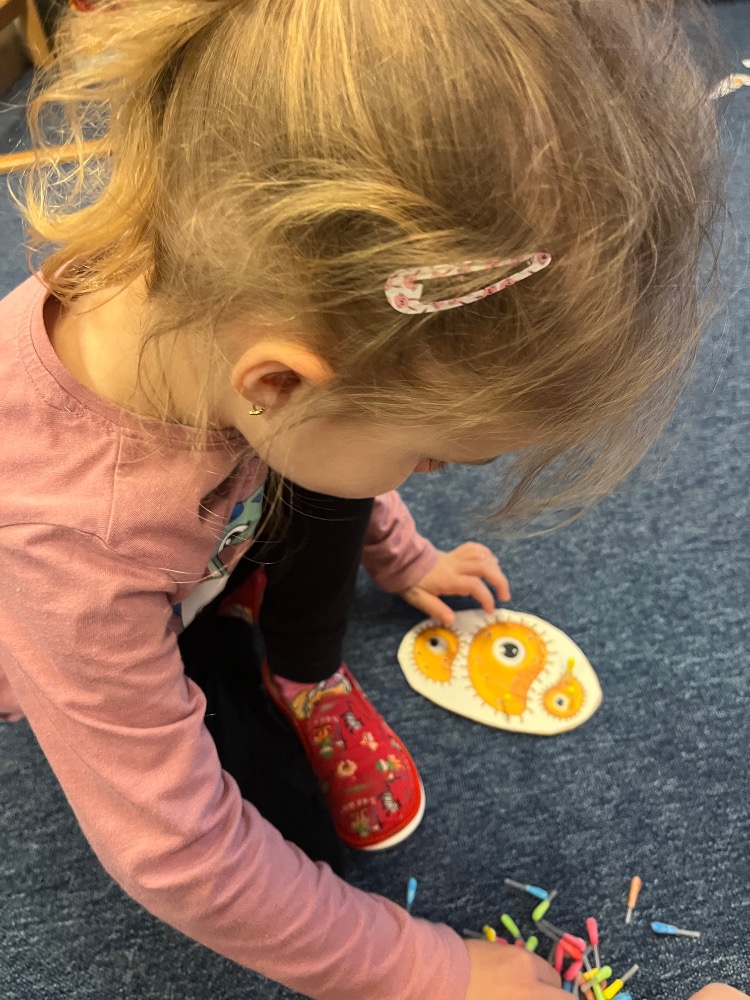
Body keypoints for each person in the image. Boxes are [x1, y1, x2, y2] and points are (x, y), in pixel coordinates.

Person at [0, 1, 740, 998]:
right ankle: (242, 635)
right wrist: (430, 972)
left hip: (218, 513)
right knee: (297, 854)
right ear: (278, 382)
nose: (430, 471)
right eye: (431, 453)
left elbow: (316, 444)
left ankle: (280, 640)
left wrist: (400, 552)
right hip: (94, 623)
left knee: (328, 459)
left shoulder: (230, 325)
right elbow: (178, 854)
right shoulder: (69, 548)